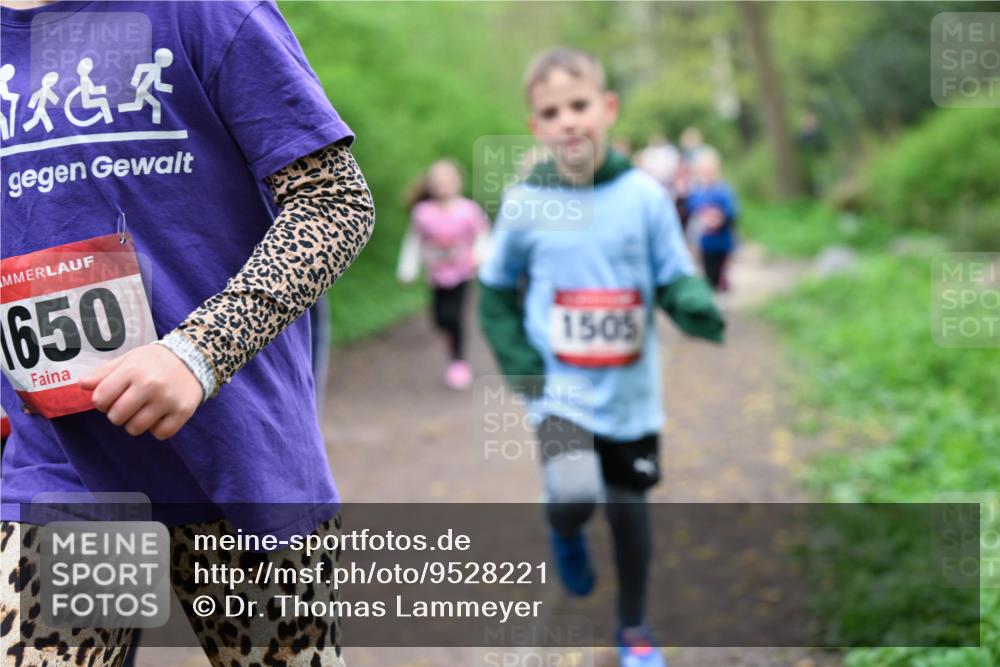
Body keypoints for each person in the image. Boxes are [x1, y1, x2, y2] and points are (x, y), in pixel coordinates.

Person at [0, 1, 374, 665]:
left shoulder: (203, 10)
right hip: (60, 469)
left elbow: (335, 203)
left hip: (236, 459)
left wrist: (199, 351)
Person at [478, 47, 725, 667]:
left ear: (608, 110)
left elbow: (672, 271)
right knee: (574, 494)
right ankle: (563, 530)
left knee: (628, 511)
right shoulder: (525, 202)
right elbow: (495, 290)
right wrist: (523, 370)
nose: (569, 121)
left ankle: (634, 627)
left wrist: (693, 301)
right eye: (552, 111)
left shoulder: (644, 196)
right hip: (558, 388)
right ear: (536, 127)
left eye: (580, 105)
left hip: (631, 392)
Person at [397, 159, 489, 390]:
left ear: (458, 182)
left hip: (462, 273)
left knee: (455, 317)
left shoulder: (468, 210)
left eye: (448, 180)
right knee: (439, 319)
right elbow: (414, 242)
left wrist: (480, 256)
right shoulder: (423, 213)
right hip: (437, 275)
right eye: (438, 181)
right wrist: (407, 269)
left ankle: (459, 362)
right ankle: (450, 344)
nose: (443, 185)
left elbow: (482, 235)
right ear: (430, 185)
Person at [686, 148, 739, 291]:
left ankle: (722, 282)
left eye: (709, 170)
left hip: (722, 241)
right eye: (703, 170)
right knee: (707, 273)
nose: (706, 174)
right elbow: (690, 207)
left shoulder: (724, 189)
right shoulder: (696, 191)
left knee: (721, 270)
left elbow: (733, 210)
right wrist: (703, 215)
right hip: (704, 243)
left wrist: (720, 217)